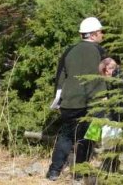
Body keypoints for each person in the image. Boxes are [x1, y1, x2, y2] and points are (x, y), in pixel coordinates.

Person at [46, 17, 107, 181]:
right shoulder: (101, 52)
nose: (103, 34)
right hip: (94, 104)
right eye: (101, 32)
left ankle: (54, 172)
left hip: (69, 102)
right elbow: (109, 75)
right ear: (93, 34)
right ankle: (79, 175)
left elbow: (60, 77)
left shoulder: (69, 51)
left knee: (66, 137)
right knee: (90, 137)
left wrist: (58, 100)